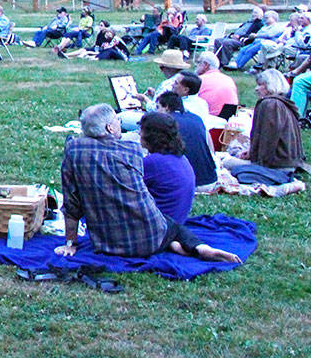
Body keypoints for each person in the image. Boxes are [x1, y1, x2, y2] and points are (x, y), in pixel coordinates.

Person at [54, 104, 239, 262]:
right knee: (171, 225)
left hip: (105, 241)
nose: (120, 124)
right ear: (110, 128)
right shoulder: (132, 151)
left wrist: (70, 243)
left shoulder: (73, 150)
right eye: (118, 121)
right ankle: (198, 247)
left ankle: (177, 244)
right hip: (150, 237)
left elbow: (72, 203)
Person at [222, 69, 311, 183]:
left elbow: (268, 139)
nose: (256, 89)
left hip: (276, 165)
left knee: (225, 162)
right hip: (288, 162)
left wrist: (255, 159)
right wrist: (251, 152)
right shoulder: (283, 103)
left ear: (270, 85)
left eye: (261, 85)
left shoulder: (269, 104)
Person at [138, 111, 195, 223]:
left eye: (142, 130)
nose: (139, 134)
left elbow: (126, 189)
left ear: (152, 135)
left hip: (159, 226)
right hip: (177, 221)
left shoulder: (153, 162)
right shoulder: (181, 159)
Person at [116, 49, 190, 130]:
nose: (161, 71)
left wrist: (145, 99)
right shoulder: (185, 80)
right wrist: (155, 95)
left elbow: (156, 109)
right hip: (175, 119)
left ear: (169, 68)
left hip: (161, 121)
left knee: (119, 117)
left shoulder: (168, 84)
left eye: (162, 68)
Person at [155, 92, 218, 188]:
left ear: (166, 107)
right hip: (210, 180)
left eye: (158, 107)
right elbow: (210, 147)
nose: (156, 111)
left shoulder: (165, 121)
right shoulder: (197, 118)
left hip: (184, 183)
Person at [194, 51, 239, 117]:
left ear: (206, 65)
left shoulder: (200, 80)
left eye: (198, 62)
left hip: (208, 117)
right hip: (230, 117)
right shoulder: (229, 79)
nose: (196, 65)